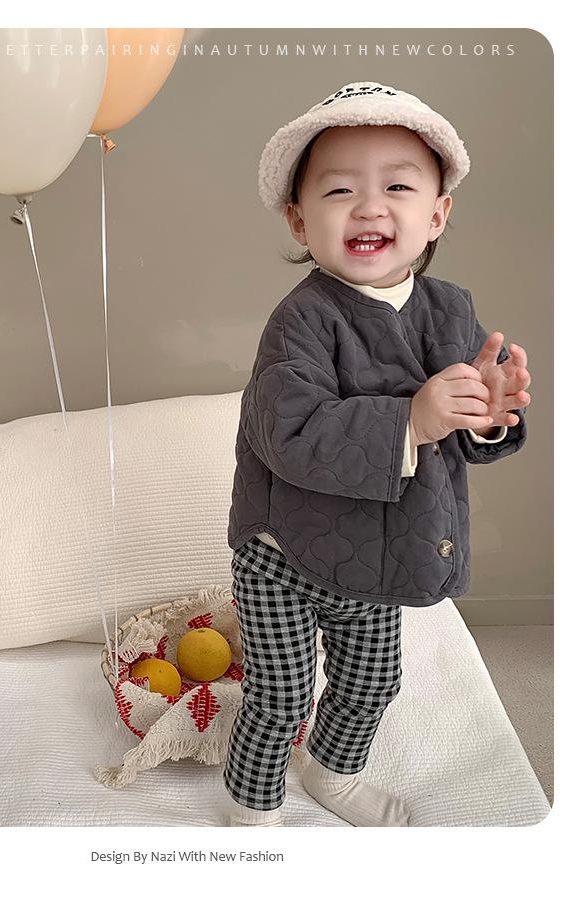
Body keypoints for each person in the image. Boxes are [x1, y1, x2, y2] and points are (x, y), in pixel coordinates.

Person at [223, 81, 532, 827]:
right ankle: (252, 800)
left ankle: (332, 769)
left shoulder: (450, 311)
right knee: (281, 692)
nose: (369, 207)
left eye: (397, 186)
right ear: (300, 218)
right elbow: (292, 434)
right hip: (282, 549)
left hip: (377, 549)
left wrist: (487, 415)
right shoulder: (300, 321)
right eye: (339, 190)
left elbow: (462, 431)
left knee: (371, 682)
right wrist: (412, 420)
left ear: (437, 214)